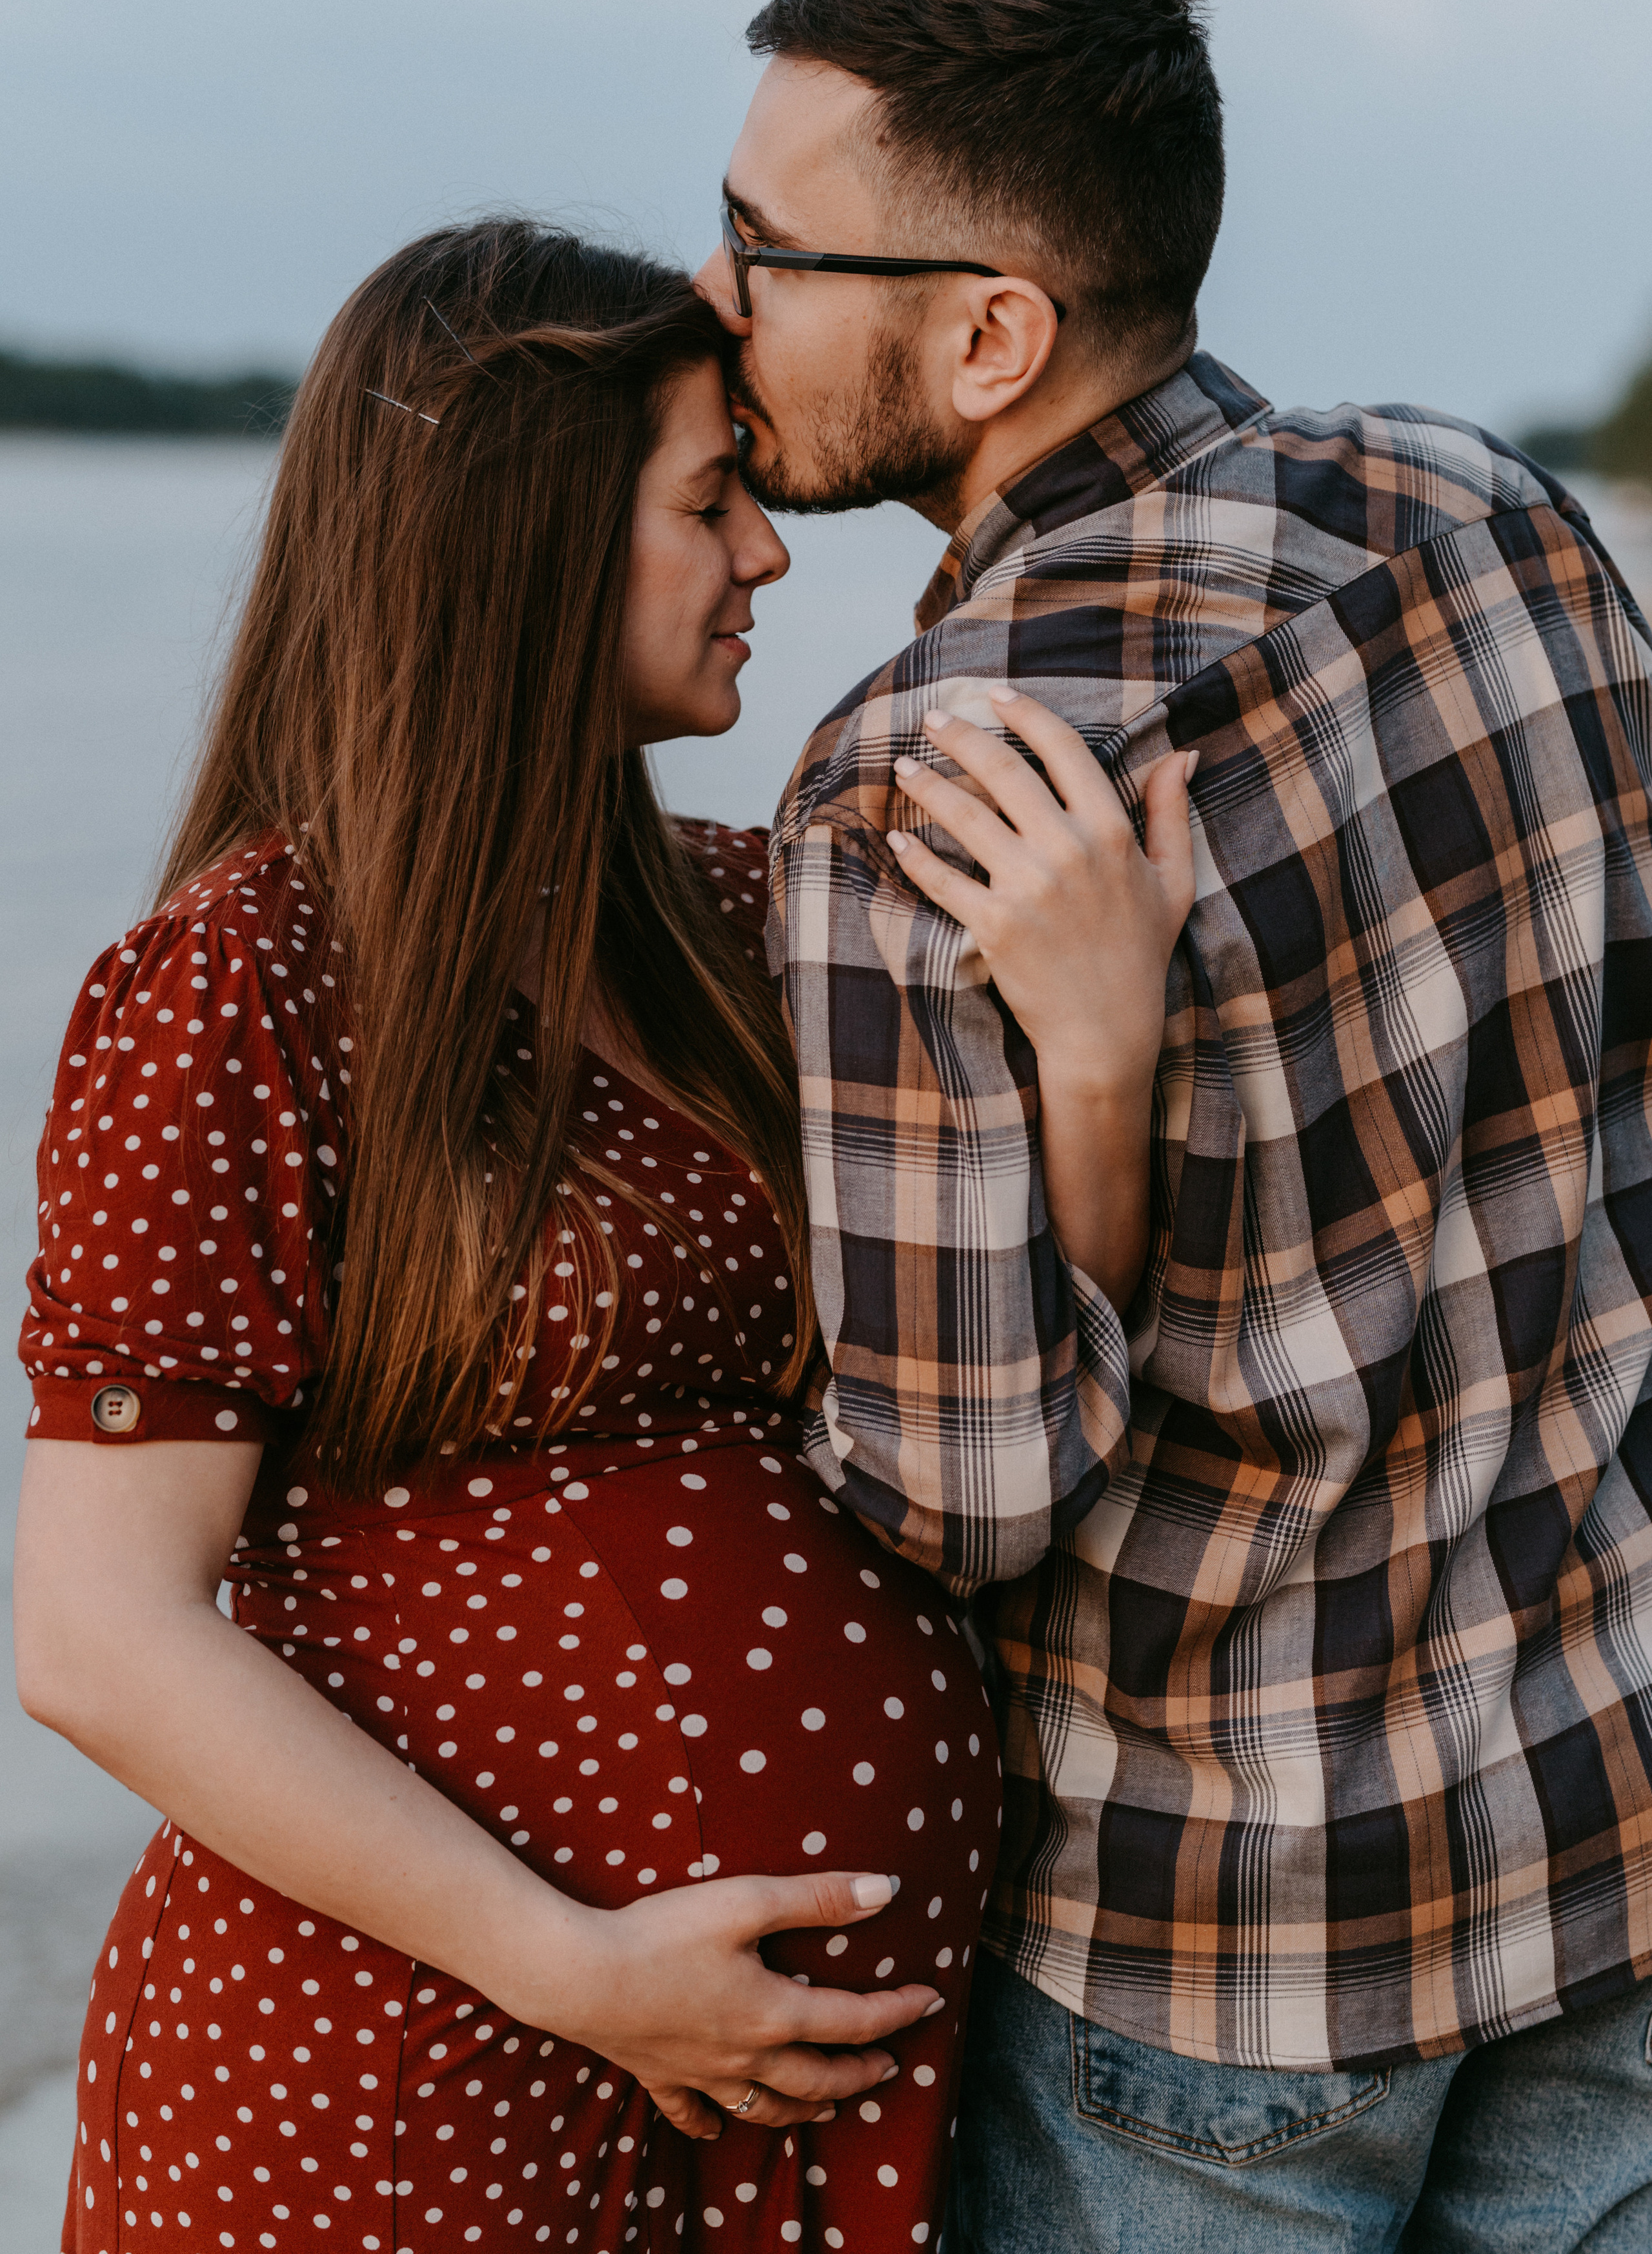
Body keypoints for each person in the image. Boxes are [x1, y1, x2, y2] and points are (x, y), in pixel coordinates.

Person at [13, 220, 1196, 2253]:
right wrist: (565, 1961)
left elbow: (1000, 1391)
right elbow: (96, 1631)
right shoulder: (245, 984)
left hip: (786, 2100)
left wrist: (1098, 1061)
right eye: (708, 495)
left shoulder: (756, 918)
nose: (769, 554)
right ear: (524, 544)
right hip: (398, 2069)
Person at [694, 0, 1652, 2248]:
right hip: (1604, 1825)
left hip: (1218, 1947)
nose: (719, 304)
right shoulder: (1499, 519)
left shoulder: (925, 787)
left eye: (761, 249)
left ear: (989, 329)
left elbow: (963, 1494)